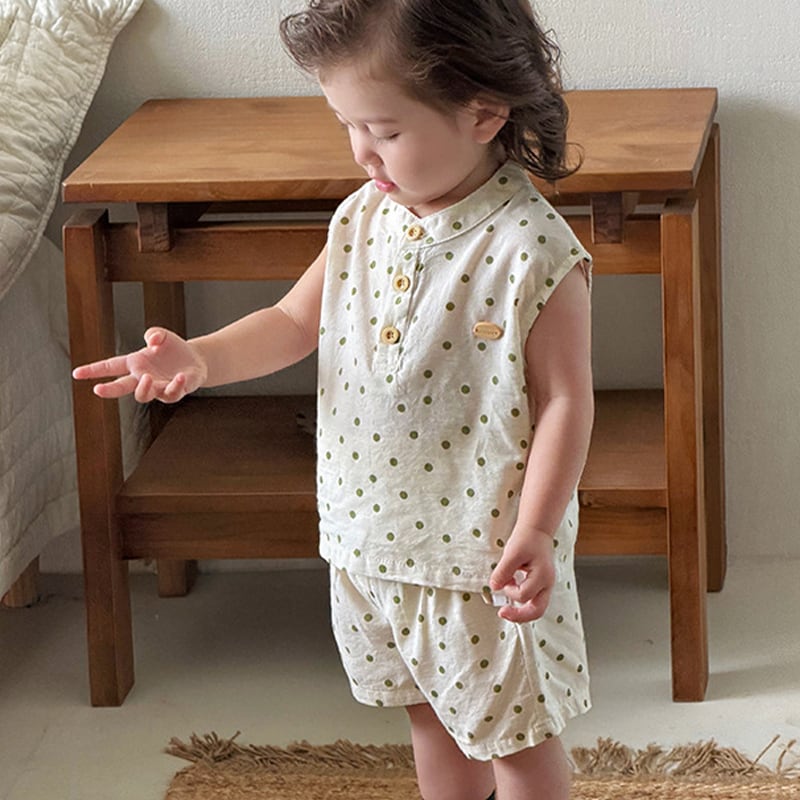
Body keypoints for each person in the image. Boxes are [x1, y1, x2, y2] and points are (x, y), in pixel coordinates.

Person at [73, 1, 594, 797]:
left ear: (483, 114)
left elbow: (564, 402)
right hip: (368, 540)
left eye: (383, 130)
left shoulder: (533, 248)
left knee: (514, 737)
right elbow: (291, 322)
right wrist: (201, 357)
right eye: (347, 125)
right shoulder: (363, 217)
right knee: (428, 715)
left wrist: (538, 529)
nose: (361, 151)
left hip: (478, 556)